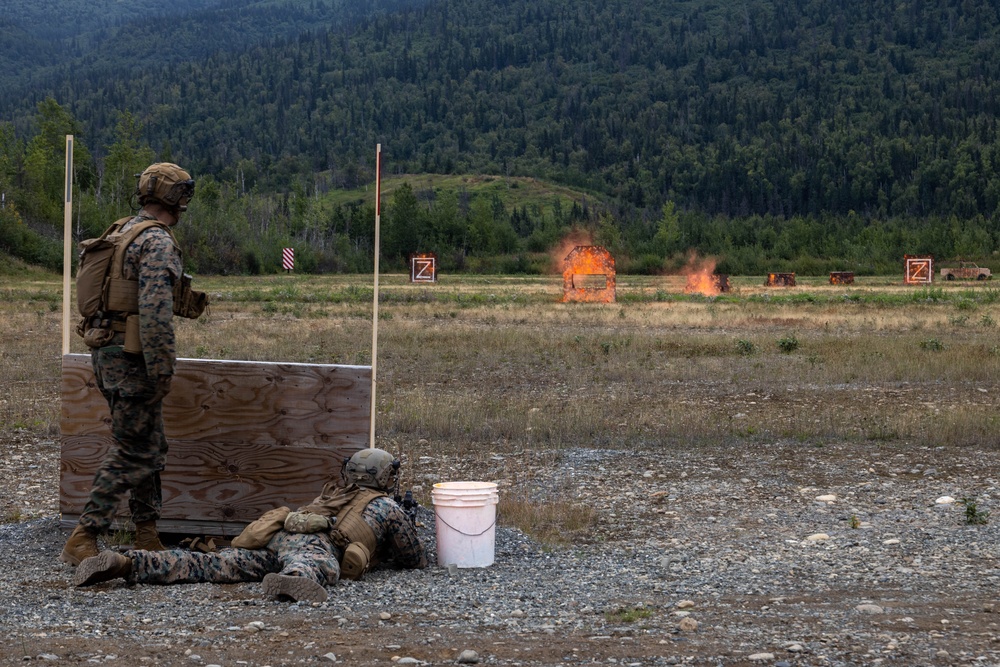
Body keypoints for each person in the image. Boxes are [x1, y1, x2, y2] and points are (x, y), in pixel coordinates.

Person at [73, 448, 427, 603]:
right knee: (317, 565)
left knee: (214, 564)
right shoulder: (386, 506)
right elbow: (413, 558)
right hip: (315, 545)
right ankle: (295, 580)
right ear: (384, 477)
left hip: (276, 538)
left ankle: (130, 563)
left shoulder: (332, 492)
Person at [61, 163, 196, 566]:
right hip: (133, 359)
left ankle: (146, 533)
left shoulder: (123, 230)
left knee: (148, 442)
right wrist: (162, 367)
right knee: (134, 448)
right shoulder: (156, 241)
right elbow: (155, 311)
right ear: (174, 199)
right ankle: (85, 535)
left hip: (106, 353)